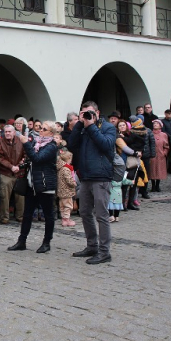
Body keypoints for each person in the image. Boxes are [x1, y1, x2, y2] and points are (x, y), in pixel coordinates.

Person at [67, 101, 117, 265]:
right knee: (84, 212)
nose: (87, 116)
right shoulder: (82, 128)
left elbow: (106, 145)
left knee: (102, 215)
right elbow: (71, 145)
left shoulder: (107, 127)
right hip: (86, 176)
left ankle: (104, 252)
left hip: (101, 177)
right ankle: (92, 246)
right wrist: (79, 125)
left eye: (90, 113)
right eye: (84, 113)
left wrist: (91, 126)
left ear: (97, 112)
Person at [8, 121, 59, 254]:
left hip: (45, 184)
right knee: (27, 214)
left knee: (48, 215)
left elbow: (37, 158)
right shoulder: (37, 143)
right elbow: (31, 159)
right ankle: (21, 241)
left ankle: (46, 242)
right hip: (33, 183)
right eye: (40, 128)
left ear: (51, 133)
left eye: (44, 129)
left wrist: (25, 143)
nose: (40, 130)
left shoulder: (52, 146)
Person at [0, 124, 24, 225]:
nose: (7, 133)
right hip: (6, 172)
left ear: (14, 132)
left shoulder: (20, 142)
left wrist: (21, 163)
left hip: (19, 172)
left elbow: (26, 154)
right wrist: (11, 166)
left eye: (9, 131)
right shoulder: (0, 143)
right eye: (6, 132)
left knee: (21, 197)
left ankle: (20, 216)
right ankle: (5, 217)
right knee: (4, 197)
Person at [56, 148, 77, 227]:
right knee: (68, 206)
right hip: (67, 190)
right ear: (68, 159)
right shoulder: (66, 168)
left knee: (62, 205)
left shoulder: (60, 167)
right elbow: (69, 180)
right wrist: (74, 183)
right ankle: (66, 219)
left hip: (61, 190)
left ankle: (63, 218)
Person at [148, 120, 170, 192]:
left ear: (160, 126)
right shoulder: (150, 133)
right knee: (152, 170)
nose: (155, 125)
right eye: (154, 123)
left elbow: (166, 145)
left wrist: (164, 153)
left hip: (161, 155)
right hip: (152, 155)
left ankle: (157, 185)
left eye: (157, 123)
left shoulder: (164, 135)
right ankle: (153, 185)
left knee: (159, 170)